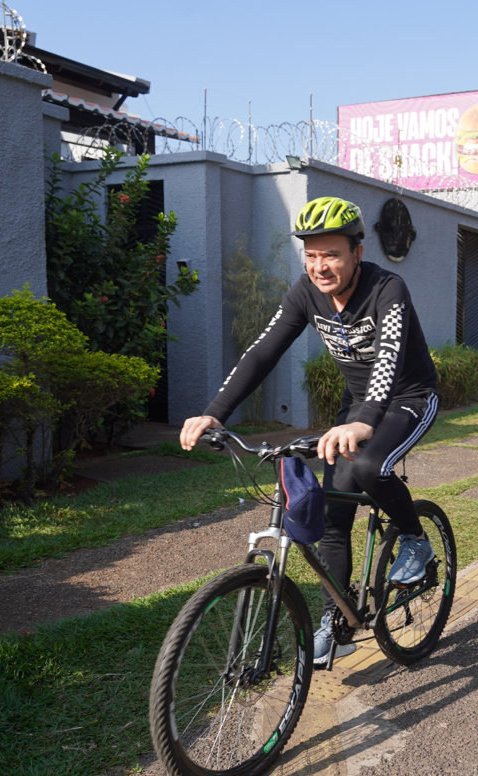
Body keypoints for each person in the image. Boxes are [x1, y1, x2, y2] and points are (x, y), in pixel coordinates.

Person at [179, 197, 440, 665]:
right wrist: (216, 412)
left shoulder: (388, 289)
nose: (320, 266)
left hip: (409, 397)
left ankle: (415, 539)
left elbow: (388, 358)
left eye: (332, 254)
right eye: (312, 255)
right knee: (333, 515)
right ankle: (335, 622)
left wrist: (364, 421)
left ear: (357, 253)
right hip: (357, 405)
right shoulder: (305, 292)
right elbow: (263, 351)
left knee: (368, 466)